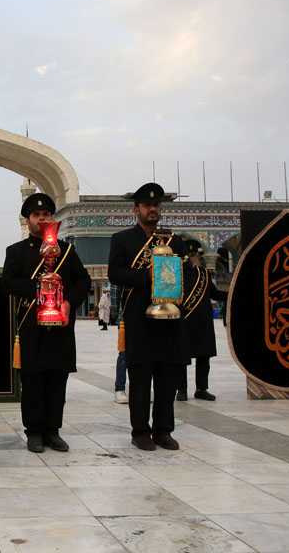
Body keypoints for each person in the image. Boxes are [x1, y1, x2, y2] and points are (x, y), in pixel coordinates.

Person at [2, 193, 91, 453]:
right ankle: (34, 432)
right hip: (31, 326)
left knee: (57, 380)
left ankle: (53, 431)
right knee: (32, 381)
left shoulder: (67, 251)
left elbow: (83, 281)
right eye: (36, 215)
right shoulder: (16, 252)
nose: (42, 218)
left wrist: (67, 302)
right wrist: (40, 288)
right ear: (28, 220)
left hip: (61, 324)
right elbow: (7, 284)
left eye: (46, 215)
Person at [108, 183, 187, 451]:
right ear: (136, 210)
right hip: (139, 318)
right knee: (140, 379)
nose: (152, 209)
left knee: (167, 378)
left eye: (156, 206)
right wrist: (149, 277)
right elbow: (115, 273)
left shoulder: (174, 240)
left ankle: (163, 430)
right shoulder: (123, 239)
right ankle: (140, 431)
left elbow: (186, 275)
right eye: (146, 206)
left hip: (170, 320)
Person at [177, 241, 227, 401]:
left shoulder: (203, 273)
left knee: (204, 356)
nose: (191, 259)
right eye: (188, 256)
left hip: (203, 322)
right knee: (182, 358)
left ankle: (202, 388)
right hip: (184, 322)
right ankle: (182, 389)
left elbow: (214, 293)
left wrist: (232, 293)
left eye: (193, 256)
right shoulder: (176, 274)